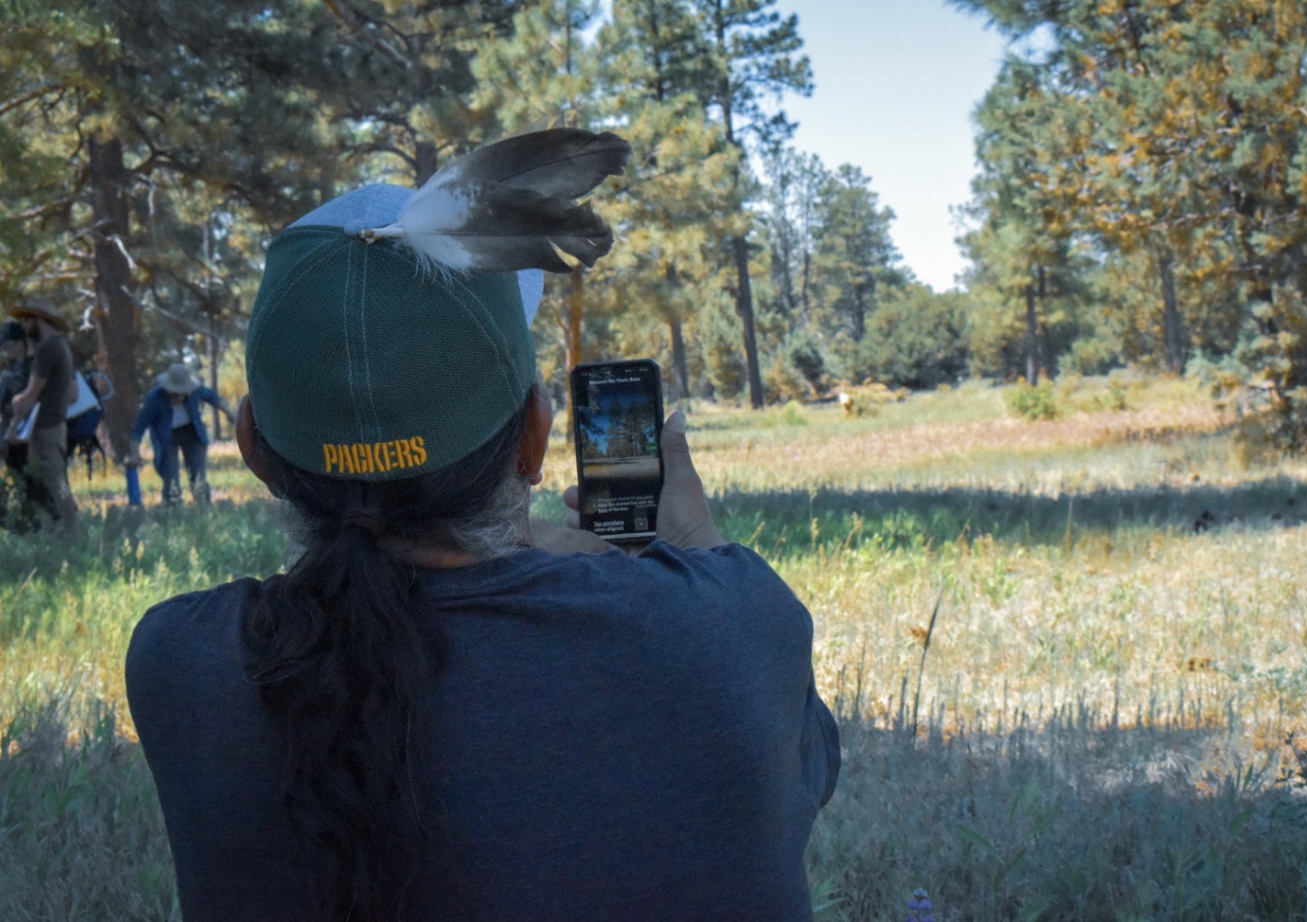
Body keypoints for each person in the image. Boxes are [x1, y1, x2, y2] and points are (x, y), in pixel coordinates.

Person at [125, 127, 840, 922]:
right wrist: (697, 562)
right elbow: (798, 773)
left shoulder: (181, 663)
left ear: (255, 446)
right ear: (536, 436)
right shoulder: (729, 621)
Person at [6, 297, 78, 530]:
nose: (25, 326)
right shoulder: (60, 346)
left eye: (28, 320)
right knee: (52, 481)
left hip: (45, 427)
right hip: (55, 424)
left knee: (54, 483)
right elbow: (72, 394)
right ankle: (60, 530)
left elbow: (30, 393)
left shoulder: (47, 351)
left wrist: (14, 422)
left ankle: (70, 532)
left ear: (41, 319)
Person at [129, 362, 236, 504]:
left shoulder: (195, 391)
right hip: (166, 437)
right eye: (175, 392)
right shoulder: (154, 399)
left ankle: (204, 509)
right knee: (171, 478)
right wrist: (135, 454)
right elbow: (138, 429)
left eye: (182, 392)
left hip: (192, 433)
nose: (179, 395)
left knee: (198, 477)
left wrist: (230, 414)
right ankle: (173, 511)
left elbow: (213, 398)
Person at [0, 320, 29, 476]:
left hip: (28, 430)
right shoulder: (11, 367)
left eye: (8, 344)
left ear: (20, 343)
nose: (5, 349)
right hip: (11, 428)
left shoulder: (31, 366)